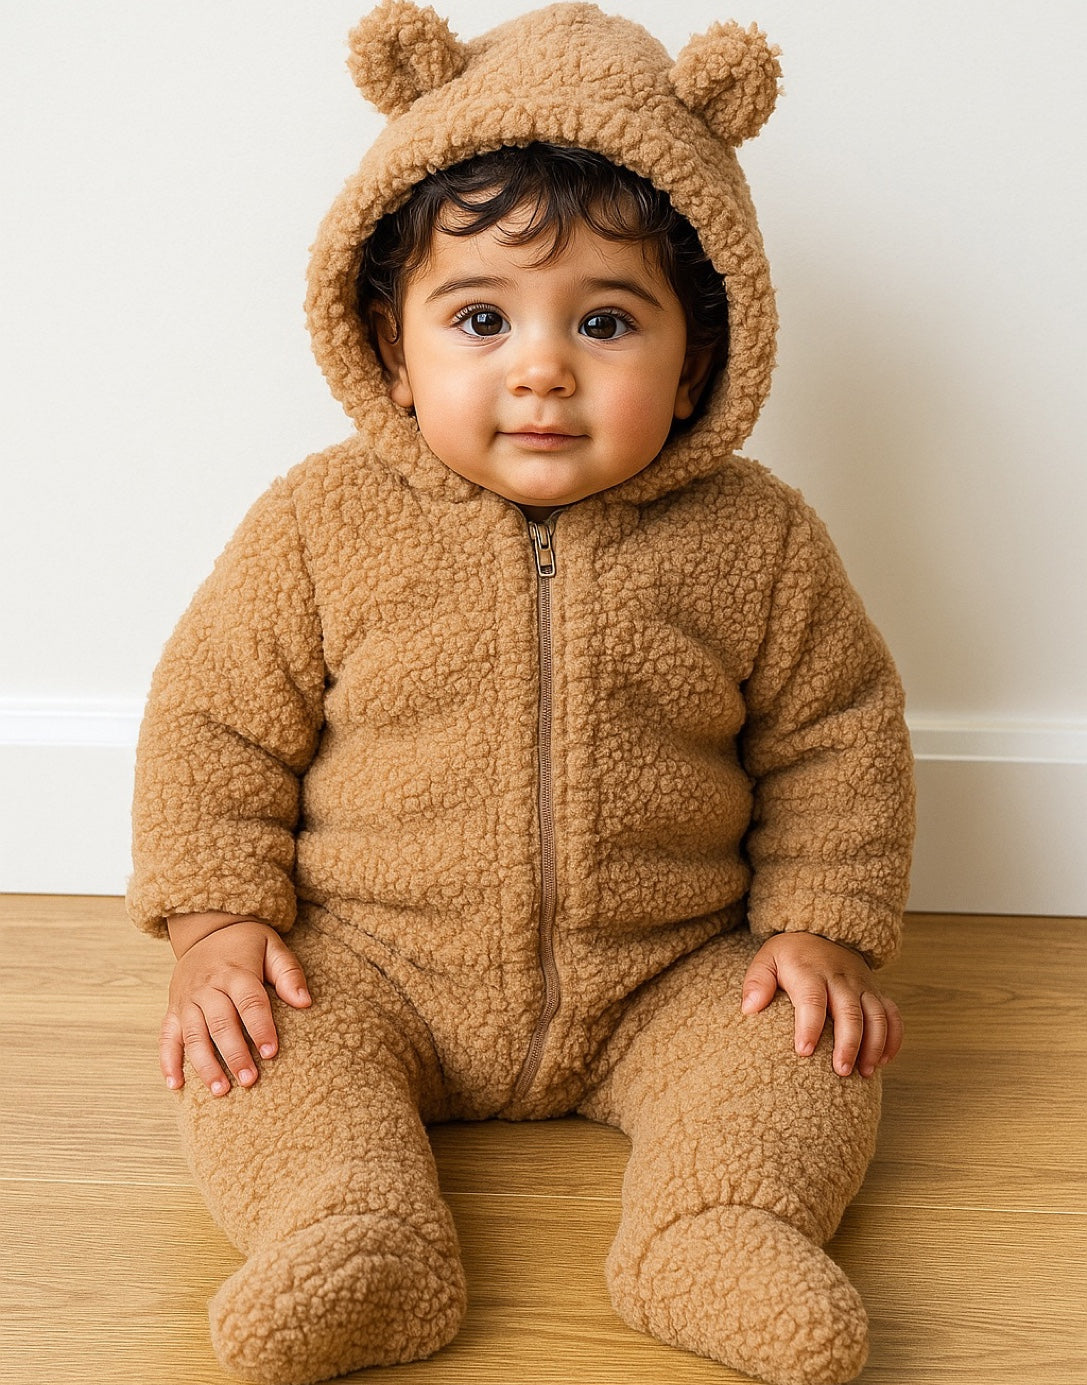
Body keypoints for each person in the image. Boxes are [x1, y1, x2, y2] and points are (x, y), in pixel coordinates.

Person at [128, 6, 914, 1385]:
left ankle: (718, 1226)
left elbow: (837, 738)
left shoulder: (760, 541)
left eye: (605, 321)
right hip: (371, 962)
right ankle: (350, 1227)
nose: (542, 367)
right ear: (392, 349)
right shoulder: (320, 525)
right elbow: (213, 724)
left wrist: (820, 929)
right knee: (255, 1055)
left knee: (805, 1054)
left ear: (697, 361)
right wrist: (217, 924)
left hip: (670, 970)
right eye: (481, 318)